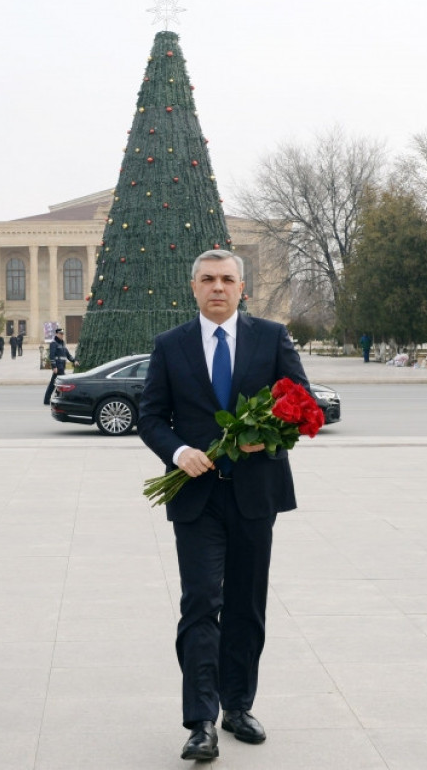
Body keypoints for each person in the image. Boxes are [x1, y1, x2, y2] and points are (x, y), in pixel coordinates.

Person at [138, 249, 309, 762]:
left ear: (242, 288)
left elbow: (303, 401)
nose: (218, 287)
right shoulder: (171, 345)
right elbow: (150, 416)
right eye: (208, 279)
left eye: (227, 280)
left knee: (245, 604)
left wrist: (271, 436)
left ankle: (237, 706)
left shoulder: (270, 337)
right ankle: (201, 722)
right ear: (193, 288)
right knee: (200, 603)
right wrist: (178, 451)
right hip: (196, 498)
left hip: (256, 495)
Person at [43, 328, 75, 405]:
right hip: (58, 366)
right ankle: (63, 399)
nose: (62, 335)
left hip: (62, 365)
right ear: (56, 334)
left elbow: (68, 355)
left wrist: (74, 361)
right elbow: (52, 356)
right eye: (60, 334)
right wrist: (54, 367)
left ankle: (47, 400)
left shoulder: (62, 344)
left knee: (54, 383)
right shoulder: (53, 343)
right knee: (64, 382)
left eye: (62, 334)